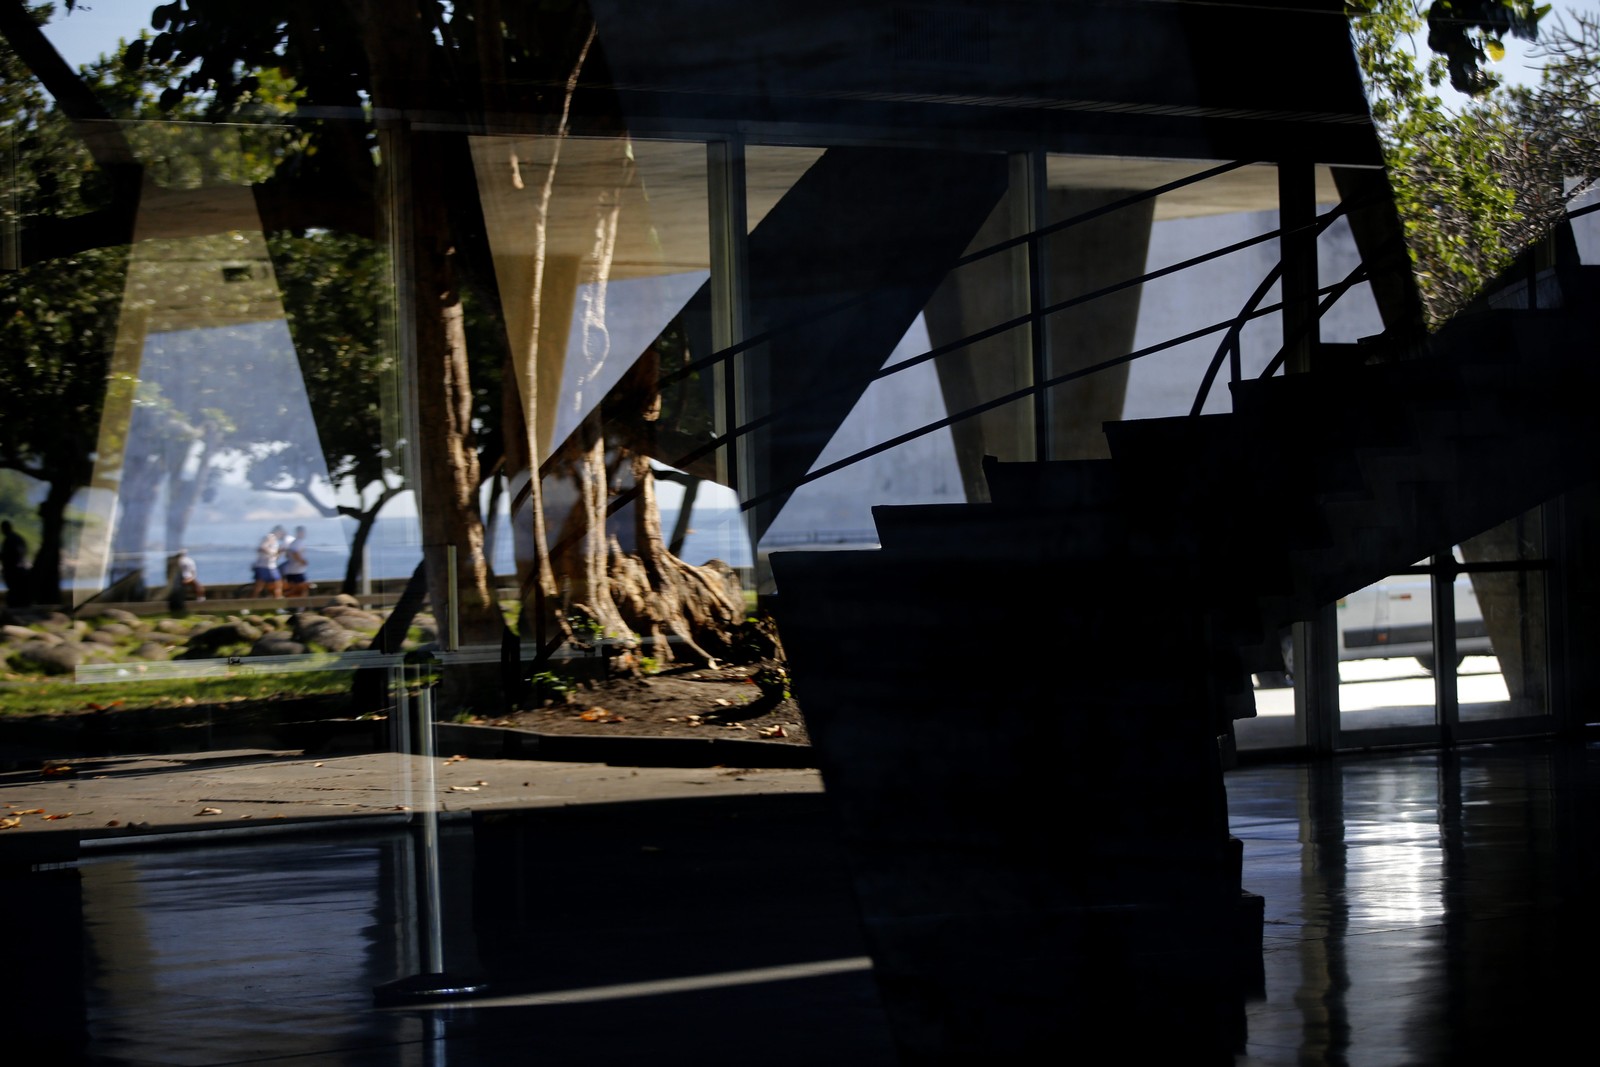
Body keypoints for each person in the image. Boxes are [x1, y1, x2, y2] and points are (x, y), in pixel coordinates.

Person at [1, 520, 31, 607]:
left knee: (14, 590)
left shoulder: (9, 540)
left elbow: (9, 555)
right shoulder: (18, 538)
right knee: (19, 590)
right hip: (20, 569)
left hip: (13, 570)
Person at [251, 525, 285, 598]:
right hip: (263, 566)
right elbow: (262, 548)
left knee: (278, 584)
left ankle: (278, 602)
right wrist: (272, 553)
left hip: (271, 566)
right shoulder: (270, 537)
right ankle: (251, 602)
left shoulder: (276, 541)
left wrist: (279, 553)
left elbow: (274, 556)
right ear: (278, 532)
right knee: (260, 586)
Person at [281, 525, 310, 597]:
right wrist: (302, 561)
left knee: (294, 590)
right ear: (299, 532)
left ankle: (297, 606)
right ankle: (301, 606)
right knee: (302, 589)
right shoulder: (298, 542)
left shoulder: (293, 542)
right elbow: (295, 552)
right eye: (303, 532)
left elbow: (287, 555)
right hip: (297, 571)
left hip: (292, 570)